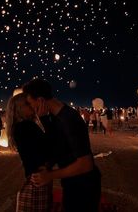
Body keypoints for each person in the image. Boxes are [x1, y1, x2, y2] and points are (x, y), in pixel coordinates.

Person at [22, 78, 101, 212]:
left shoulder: (69, 119)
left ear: (40, 100)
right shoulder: (54, 117)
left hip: (83, 187)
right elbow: (56, 146)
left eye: (30, 103)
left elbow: (86, 164)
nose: (31, 108)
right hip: (71, 183)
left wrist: (49, 175)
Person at [6, 92, 53, 212]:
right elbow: (50, 145)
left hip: (36, 177)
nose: (31, 105)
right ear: (18, 109)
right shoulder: (25, 126)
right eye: (27, 103)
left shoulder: (21, 126)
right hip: (38, 179)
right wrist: (44, 117)